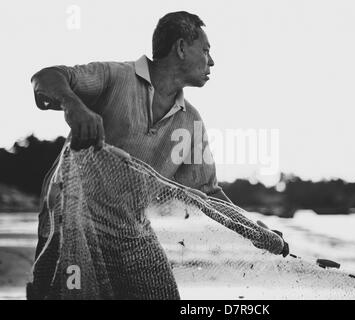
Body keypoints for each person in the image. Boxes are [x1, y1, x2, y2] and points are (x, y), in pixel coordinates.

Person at [30, 11, 288, 299]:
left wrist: (252, 228)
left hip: (131, 231)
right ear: (180, 47)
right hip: (73, 220)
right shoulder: (116, 76)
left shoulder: (191, 121)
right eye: (205, 50)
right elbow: (46, 78)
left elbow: (207, 192)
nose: (211, 61)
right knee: (65, 293)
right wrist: (73, 107)